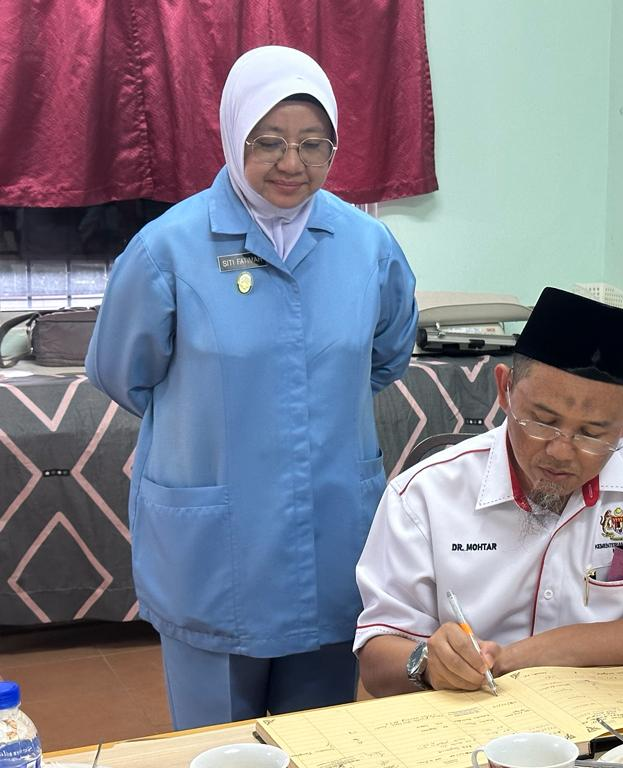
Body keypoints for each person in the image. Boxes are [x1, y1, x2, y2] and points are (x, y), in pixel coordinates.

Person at [86, 46, 417, 728]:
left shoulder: (369, 246)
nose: (292, 163)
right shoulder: (167, 248)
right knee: (218, 743)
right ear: (234, 135)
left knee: (321, 738)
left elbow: (385, 356)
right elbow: (122, 371)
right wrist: (214, 416)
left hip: (332, 533)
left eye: (313, 143)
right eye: (268, 142)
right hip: (217, 543)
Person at [354, 287, 623, 697]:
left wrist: (528, 655)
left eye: (593, 433)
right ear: (505, 389)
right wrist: (429, 663)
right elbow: (376, 660)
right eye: (542, 421)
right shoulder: (423, 494)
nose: (560, 451)